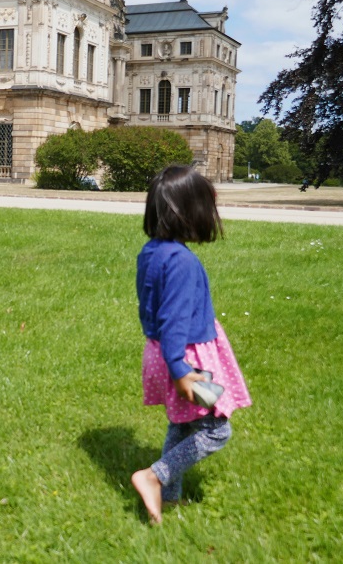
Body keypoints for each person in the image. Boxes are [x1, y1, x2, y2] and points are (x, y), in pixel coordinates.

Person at [131, 165, 252, 524]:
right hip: (185, 358)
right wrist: (181, 370)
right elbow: (174, 320)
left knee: (182, 424)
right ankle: (154, 476)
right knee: (218, 430)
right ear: (188, 211)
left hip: (162, 352)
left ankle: (167, 498)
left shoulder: (151, 252)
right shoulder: (183, 262)